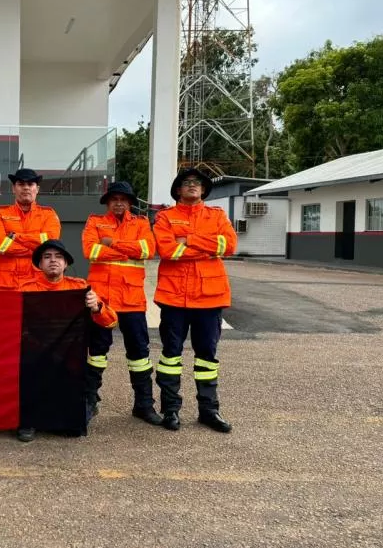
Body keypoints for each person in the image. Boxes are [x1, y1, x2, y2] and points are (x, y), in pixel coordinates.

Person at [152, 167, 238, 433]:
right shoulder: (165, 217)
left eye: (197, 183)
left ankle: (209, 411)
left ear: (203, 190)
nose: (192, 185)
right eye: (187, 182)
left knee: (207, 358)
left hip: (209, 298)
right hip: (174, 297)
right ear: (178, 190)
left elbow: (229, 246)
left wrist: (188, 239)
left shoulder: (217, 215)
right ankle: (170, 410)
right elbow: (167, 250)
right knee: (170, 356)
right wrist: (208, 247)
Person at [16, 239, 118, 443]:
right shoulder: (25, 289)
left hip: (69, 357)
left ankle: (88, 400)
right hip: (36, 355)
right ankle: (28, 420)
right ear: (40, 264)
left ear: (66, 264)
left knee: (72, 430)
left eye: (58, 257)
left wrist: (97, 307)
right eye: (47, 257)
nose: (53, 261)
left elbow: (111, 322)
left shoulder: (80, 287)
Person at [81, 181, 161, 425]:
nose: (118, 203)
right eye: (114, 199)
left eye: (123, 199)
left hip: (131, 300)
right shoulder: (95, 221)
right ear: (107, 202)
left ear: (130, 203)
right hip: (101, 300)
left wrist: (112, 243)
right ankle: (88, 402)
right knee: (96, 352)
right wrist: (128, 250)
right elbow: (90, 251)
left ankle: (144, 406)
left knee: (139, 354)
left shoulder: (141, 223)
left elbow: (147, 250)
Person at [0, 168, 60, 291]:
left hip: (38, 282)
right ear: (13, 188)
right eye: (21, 184)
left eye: (30, 184)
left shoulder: (49, 214)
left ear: (37, 189)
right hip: (5, 283)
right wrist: (34, 248)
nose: (26, 188)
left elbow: (49, 244)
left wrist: (15, 237)